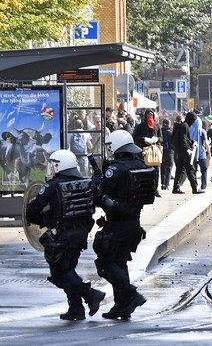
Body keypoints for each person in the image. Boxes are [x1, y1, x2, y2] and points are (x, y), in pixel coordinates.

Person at [25, 149, 105, 320]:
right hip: (81, 234)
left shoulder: (52, 186)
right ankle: (76, 309)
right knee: (69, 270)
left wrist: (43, 220)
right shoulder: (87, 183)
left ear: (60, 166)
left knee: (59, 272)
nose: (51, 169)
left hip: (63, 235)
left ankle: (91, 294)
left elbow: (32, 210)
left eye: (53, 165)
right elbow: (99, 200)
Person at [94, 130, 157, 320]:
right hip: (134, 223)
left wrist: (97, 183)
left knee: (106, 263)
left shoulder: (115, 168)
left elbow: (101, 195)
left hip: (117, 223)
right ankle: (121, 306)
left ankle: (131, 294)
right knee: (119, 262)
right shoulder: (140, 165)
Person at [133, 108, 163, 197]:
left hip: (155, 151)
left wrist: (157, 139)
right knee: (145, 171)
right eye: (148, 115)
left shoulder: (157, 125)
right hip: (144, 152)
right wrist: (144, 139)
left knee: (156, 171)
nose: (150, 117)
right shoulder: (140, 126)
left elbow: (161, 138)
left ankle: (155, 189)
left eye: (151, 115)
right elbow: (135, 137)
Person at [171, 112, 198, 194]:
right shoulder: (185, 126)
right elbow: (183, 138)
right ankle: (195, 188)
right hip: (184, 152)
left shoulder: (182, 125)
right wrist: (187, 149)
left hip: (178, 151)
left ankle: (176, 187)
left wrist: (192, 142)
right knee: (190, 170)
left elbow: (184, 138)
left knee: (179, 170)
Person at [160, 118, 174, 191]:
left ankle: (162, 183)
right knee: (169, 168)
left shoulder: (161, 131)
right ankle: (167, 184)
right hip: (170, 152)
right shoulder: (171, 132)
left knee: (162, 167)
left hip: (162, 151)